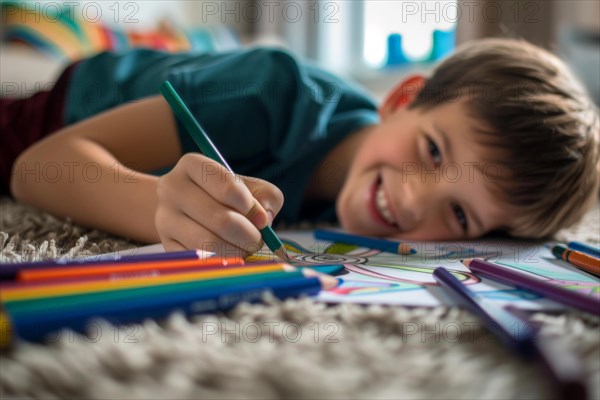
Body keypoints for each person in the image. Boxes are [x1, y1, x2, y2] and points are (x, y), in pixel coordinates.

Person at [4, 38, 599, 257]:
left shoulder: (345, 221)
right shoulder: (275, 90)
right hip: (51, 113)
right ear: (404, 97)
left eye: (462, 214)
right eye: (436, 151)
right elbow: (36, 170)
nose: (416, 200)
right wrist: (157, 204)